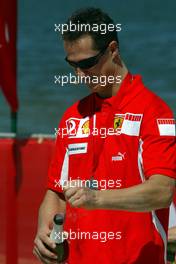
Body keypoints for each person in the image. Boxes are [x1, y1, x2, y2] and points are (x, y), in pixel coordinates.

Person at [33, 7, 176, 264]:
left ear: (112, 50)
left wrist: (97, 197)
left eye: (87, 64)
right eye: (72, 65)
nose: (79, 74)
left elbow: (162, 191)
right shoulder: (72, 116)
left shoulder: (154, 111)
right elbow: (55, 193)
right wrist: (44, 232)